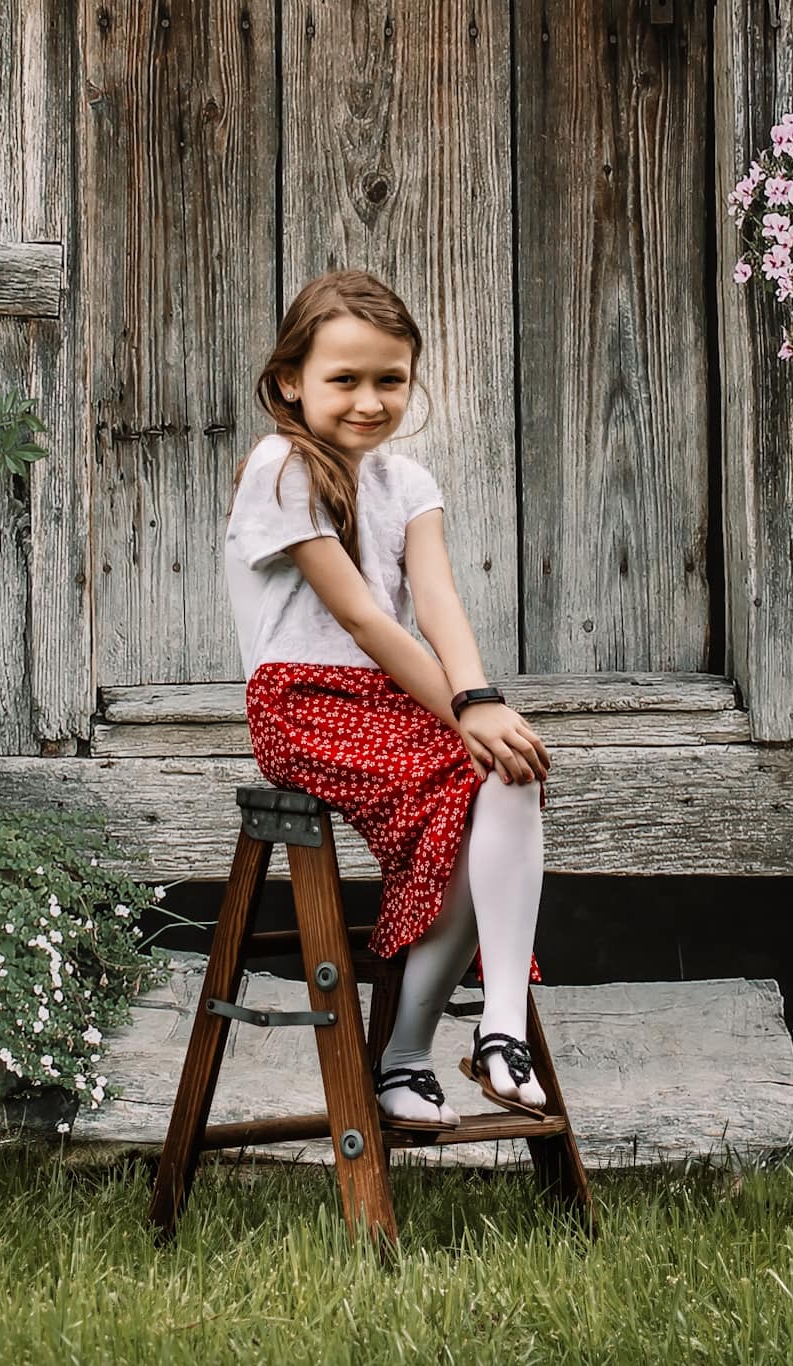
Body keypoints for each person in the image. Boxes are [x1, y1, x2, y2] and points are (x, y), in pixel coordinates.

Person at [223, 269, 551, 1130]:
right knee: (466, 778)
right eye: (345, 379)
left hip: (402, 699)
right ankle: (404, 1058)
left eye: (390, 380)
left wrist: (480, 701)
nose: (369, 400)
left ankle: (497, 1027)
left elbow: (439, 604)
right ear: (292, 380)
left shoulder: (409, 484)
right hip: (305, 700)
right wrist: (464, 713)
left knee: (508, 775)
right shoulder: (280, 463)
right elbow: (365, 619)